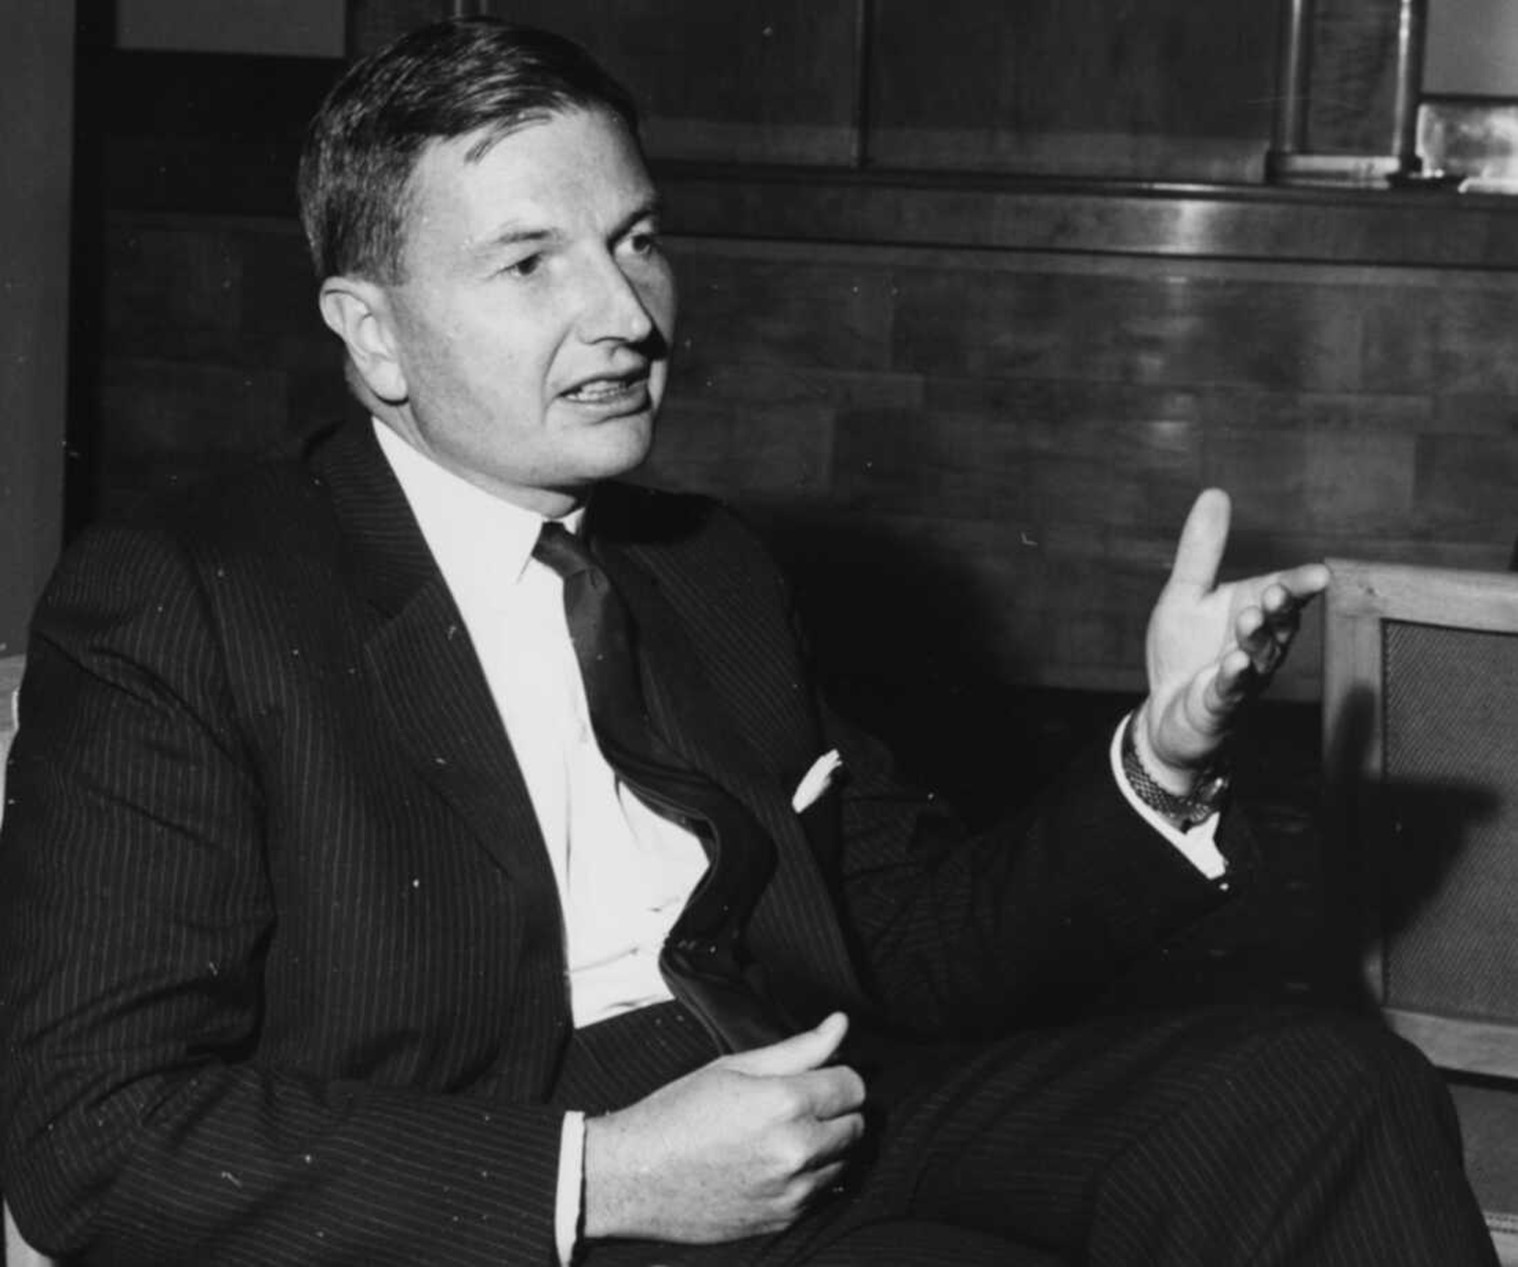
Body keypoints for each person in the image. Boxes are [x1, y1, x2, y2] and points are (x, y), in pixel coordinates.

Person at [0, 16, 1496, 1267]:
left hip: (814, 1104)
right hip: (508, 1187)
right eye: (529, 264)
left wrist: (1157, 762)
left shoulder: (704, 566)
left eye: (636, 240)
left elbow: (912, 954)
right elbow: (91, 1131)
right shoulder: (187, 599)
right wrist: (601, 1176)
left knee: (1323, 1090)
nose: (626, 313)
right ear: (372, 333)